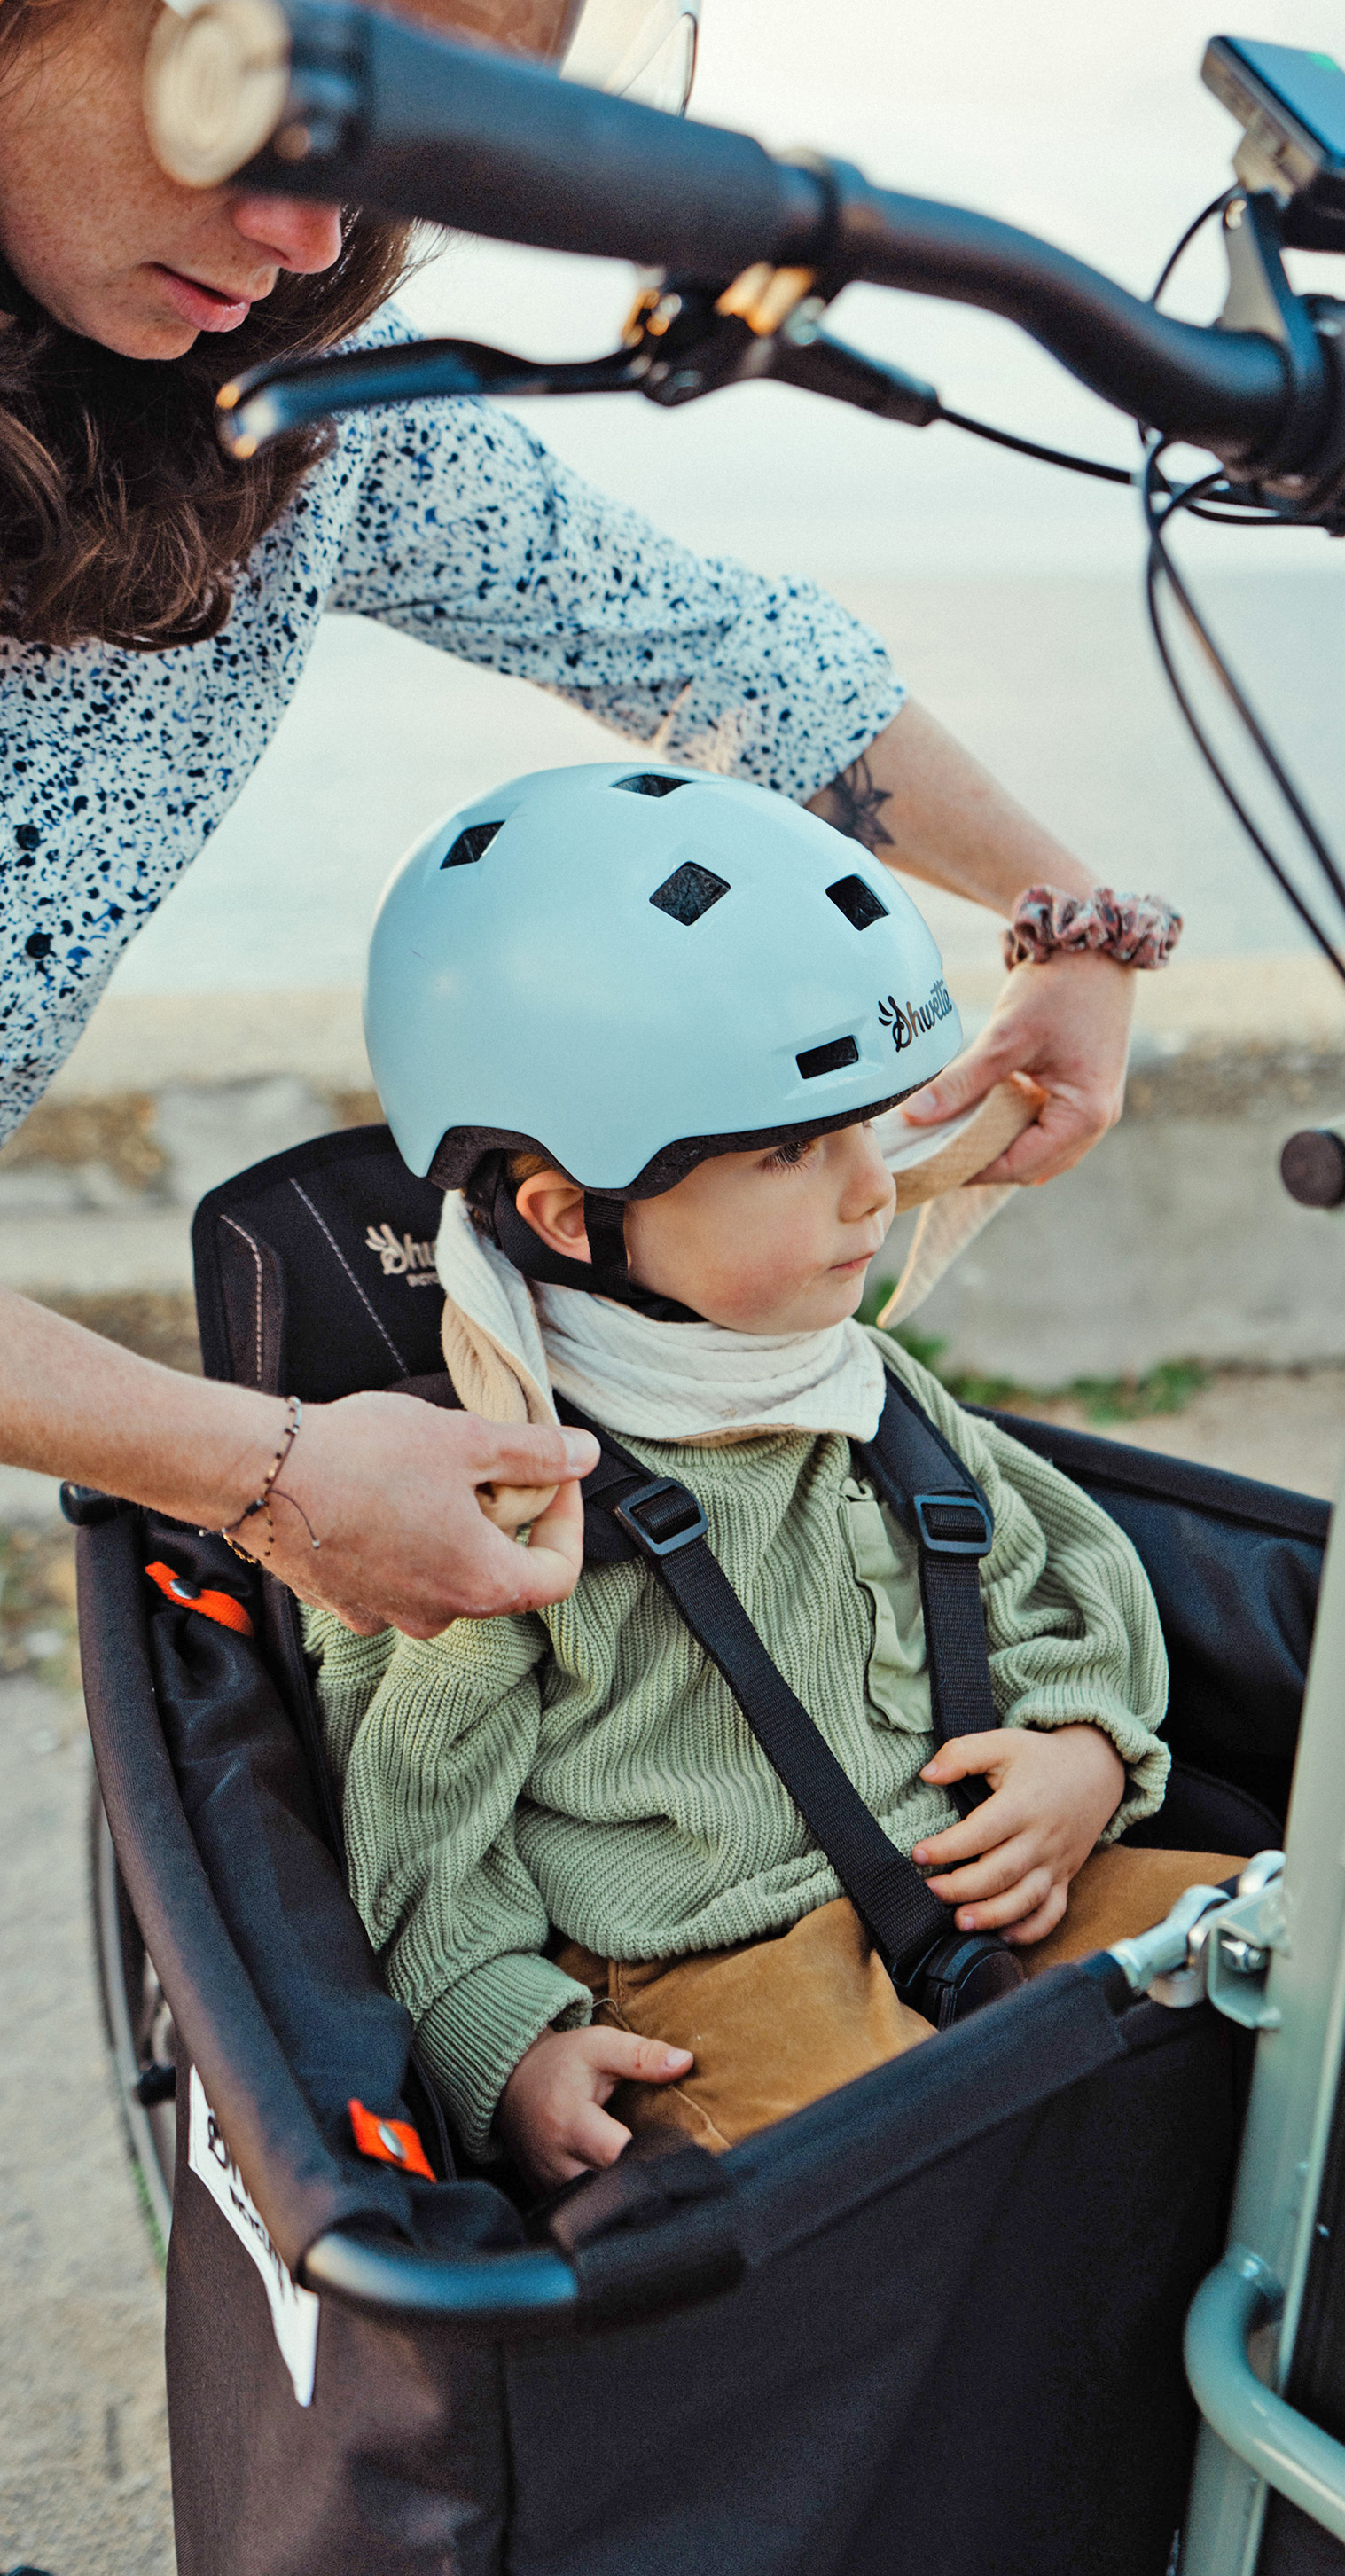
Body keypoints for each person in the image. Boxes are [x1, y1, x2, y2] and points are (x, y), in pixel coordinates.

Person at [0, 0, 1178, 1640]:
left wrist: (1074, 920)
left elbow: (702, 648)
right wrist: (266, 1472)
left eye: (389, 147)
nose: (309, 232)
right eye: (250, 100)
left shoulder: (300, 415)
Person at [301, 764, 1227, 2182]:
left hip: (981, 1868)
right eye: (794, 1150)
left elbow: (1064, 1567)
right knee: (896, 2185)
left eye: (870, 1128)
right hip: (697, 1963)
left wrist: (1087, 1750)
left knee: (1300, 1956)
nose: (870, 1188)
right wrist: (500, 2025)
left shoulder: (860, 1386)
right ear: (570, 1213)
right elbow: (420, 1806)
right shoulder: (498, 1492)